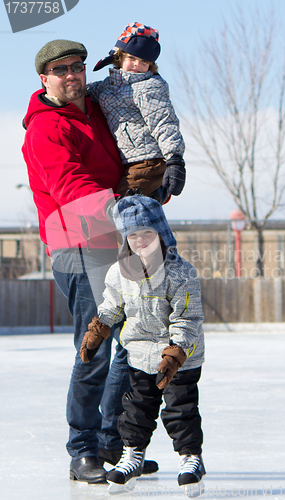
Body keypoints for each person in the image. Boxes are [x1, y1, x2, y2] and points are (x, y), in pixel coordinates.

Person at [22, 39, 157, 484]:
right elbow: (70, 186)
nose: (71, 75)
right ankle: (83, 450)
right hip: (76, 243)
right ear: (45, 79)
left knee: (134, 337)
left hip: (115, 234)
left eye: (77, 67)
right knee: (96, 345)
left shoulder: (96, 110)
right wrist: (125, 200)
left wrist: (157, 165)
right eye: (60, 70)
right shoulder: (45, 127)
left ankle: (110, 441)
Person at [80, 194, 206, 495]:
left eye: (146, 233)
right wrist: (100, 327)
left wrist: (175, 353)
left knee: (180, 408)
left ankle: (191, 458)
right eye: (132, 235)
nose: (140, 241)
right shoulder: (120, 271)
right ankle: (133, 455)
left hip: (180, 357)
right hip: (139, 353)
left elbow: (188, 318)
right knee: (136, 408)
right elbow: (112, 303)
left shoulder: (180, 272)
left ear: (160, 233)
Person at [88, 22, 186, 205]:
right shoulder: (108, 85)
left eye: (144, 62)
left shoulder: (149, 87)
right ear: (120, 56)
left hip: (148, 161)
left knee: (123, 209)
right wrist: (49, 107)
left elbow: (163, 122)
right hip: (129, 161)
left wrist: (175, 159)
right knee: (136, 216)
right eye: (132, 58)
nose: (137, 65)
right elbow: (86, 93)